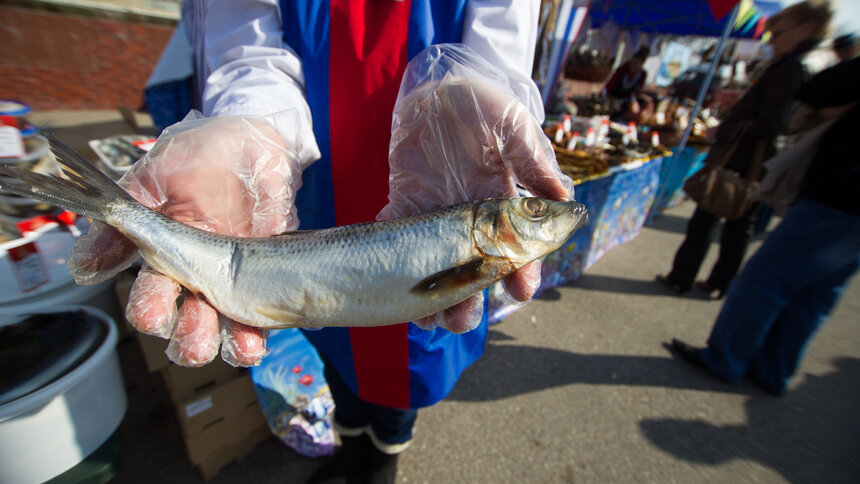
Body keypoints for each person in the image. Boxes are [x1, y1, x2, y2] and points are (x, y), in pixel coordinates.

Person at [67, 1, 575, 482]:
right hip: (298, 188)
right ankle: (351, 447)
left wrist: (484, 84)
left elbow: (504, 24)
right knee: (334, 344)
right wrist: (249, 123)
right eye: (532, 211)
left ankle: (380, 465)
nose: (541, 215)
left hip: (444, 169)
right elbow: (248, 44)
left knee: (411, 359)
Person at [670, 56, 860, 396]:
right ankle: (773, 371)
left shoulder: (789, 65)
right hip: (845, 208)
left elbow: (817, 92)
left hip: (838, 199)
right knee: (815, 295)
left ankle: (726, 358)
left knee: (767, 281)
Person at [656, 0, 832, 299]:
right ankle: (717, 282)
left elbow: (772, 122)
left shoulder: (791, 67)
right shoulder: (800, 63)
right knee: (735, 226)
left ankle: (685, 278)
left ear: (805, 29)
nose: (772, 42)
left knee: (716, 222)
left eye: (777, 35)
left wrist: (723, 129)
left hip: (745, 162)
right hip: (755, 162)